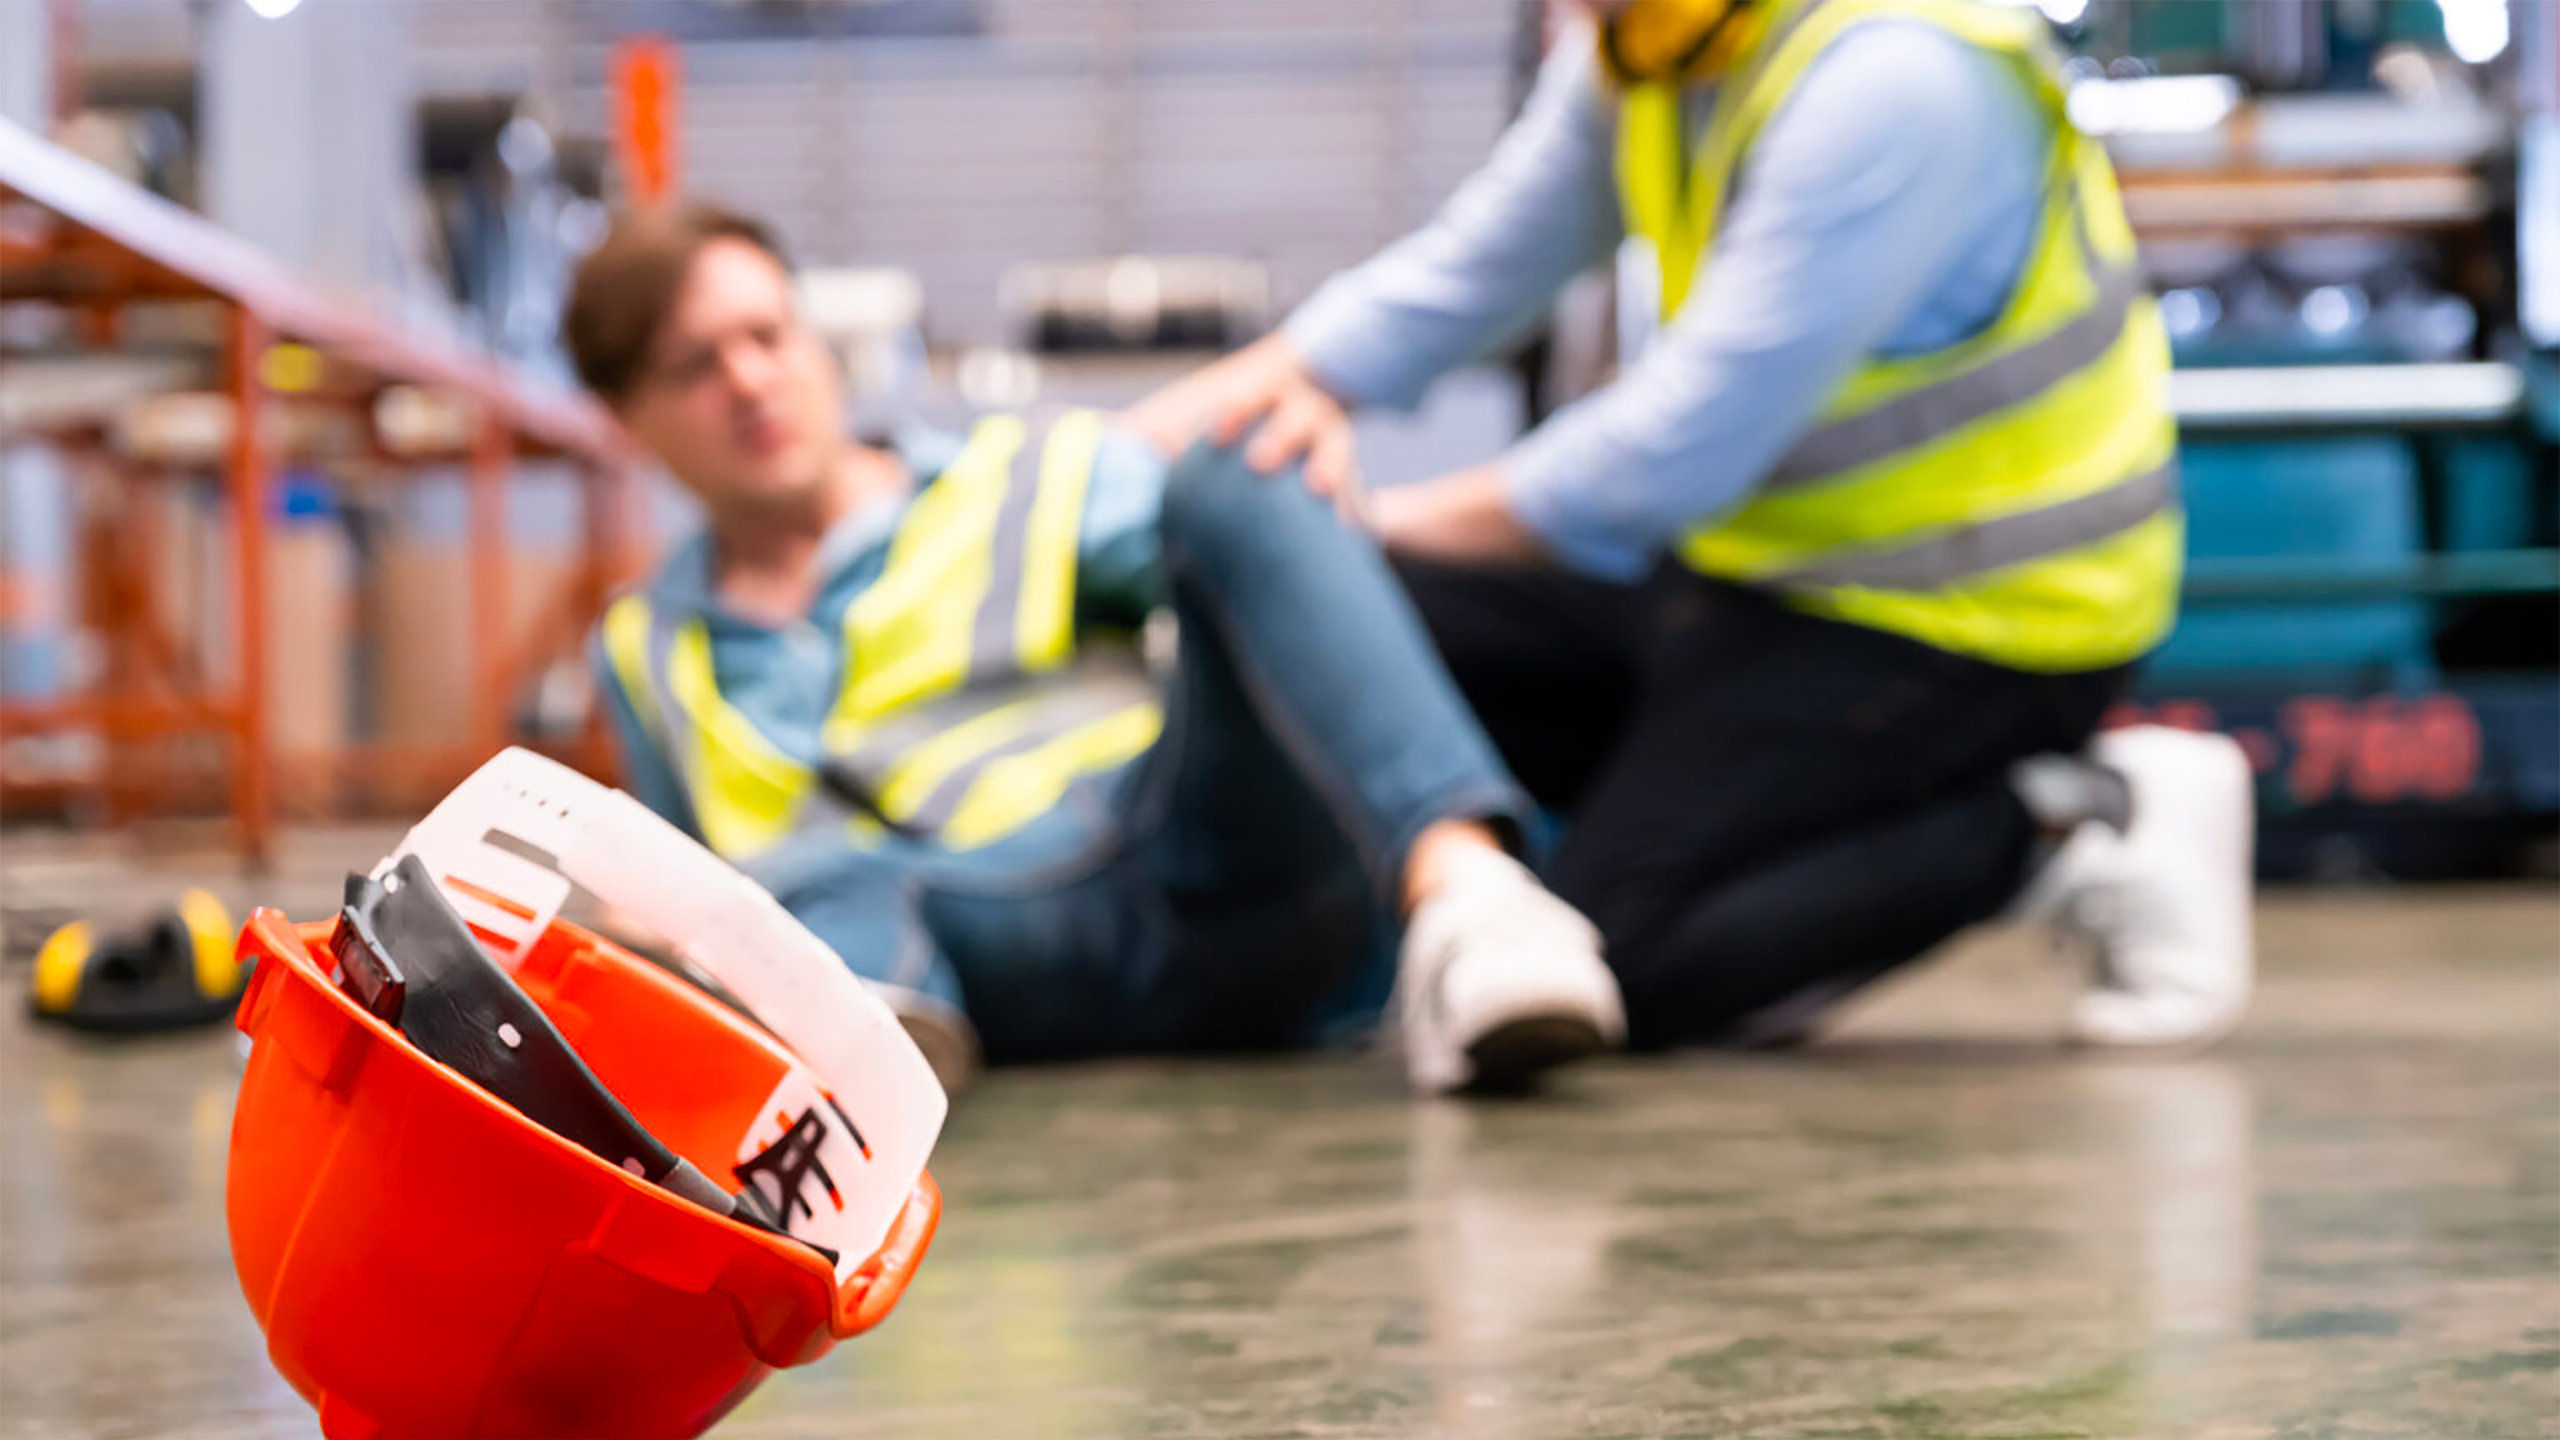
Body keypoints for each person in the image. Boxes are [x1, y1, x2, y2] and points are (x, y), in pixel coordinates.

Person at [1133, 0, 2254, 1051]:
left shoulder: (1899, 78)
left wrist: (1342, 530)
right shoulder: (1652, 41)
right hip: (1757, 576)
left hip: (1976, 626)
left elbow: (1661, 461)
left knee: (1611, 964)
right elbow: (1459, 280)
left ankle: (2068, 824)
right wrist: (1131, 452)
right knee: (1358, 639)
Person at [563, 202, 1625, 1096]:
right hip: (962, 954)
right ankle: (866, 1089)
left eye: (768, 335)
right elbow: (683, 894)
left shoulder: (1028, 476)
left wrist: (1302, 496)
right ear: (625, 419)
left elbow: (1255, 547)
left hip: (1190, 853)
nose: (751, 381)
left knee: (1250, 456)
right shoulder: (645, 650)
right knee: (816, 885)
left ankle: (1468, 901)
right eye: (696, 366)